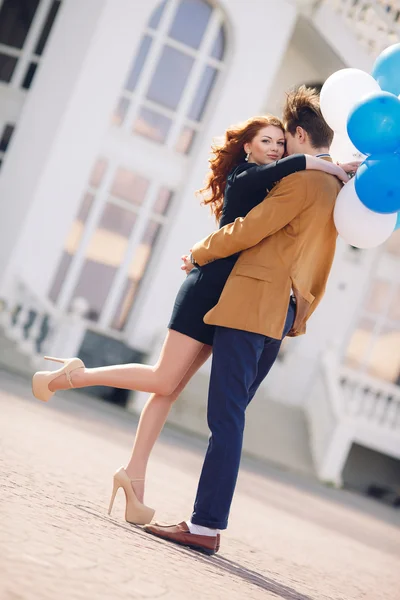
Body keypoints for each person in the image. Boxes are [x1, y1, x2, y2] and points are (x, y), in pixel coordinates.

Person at [32, 108, 355, 527]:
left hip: (232, 296)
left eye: (280, 142)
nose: (275, 149)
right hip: (206, 288)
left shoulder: (281, 178)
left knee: (169, 389)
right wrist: (317, 162)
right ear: (247, 147)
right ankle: (72, 376)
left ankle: (134, 474)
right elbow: (255, 221)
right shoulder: (246, 175)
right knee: (164, 379)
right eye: (267, 142)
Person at [142, 86, 343, 555]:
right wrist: (302, 309)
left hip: (254, 305)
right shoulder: (339, 187)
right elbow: (321, 260)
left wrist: (198, 251)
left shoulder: (303, 181)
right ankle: (205, 522)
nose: (279, 152)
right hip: (281, 313)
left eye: (283, 140)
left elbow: (250, 229)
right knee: (230, 418)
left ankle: (206, 526)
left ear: (297, 134)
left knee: (225, 418)